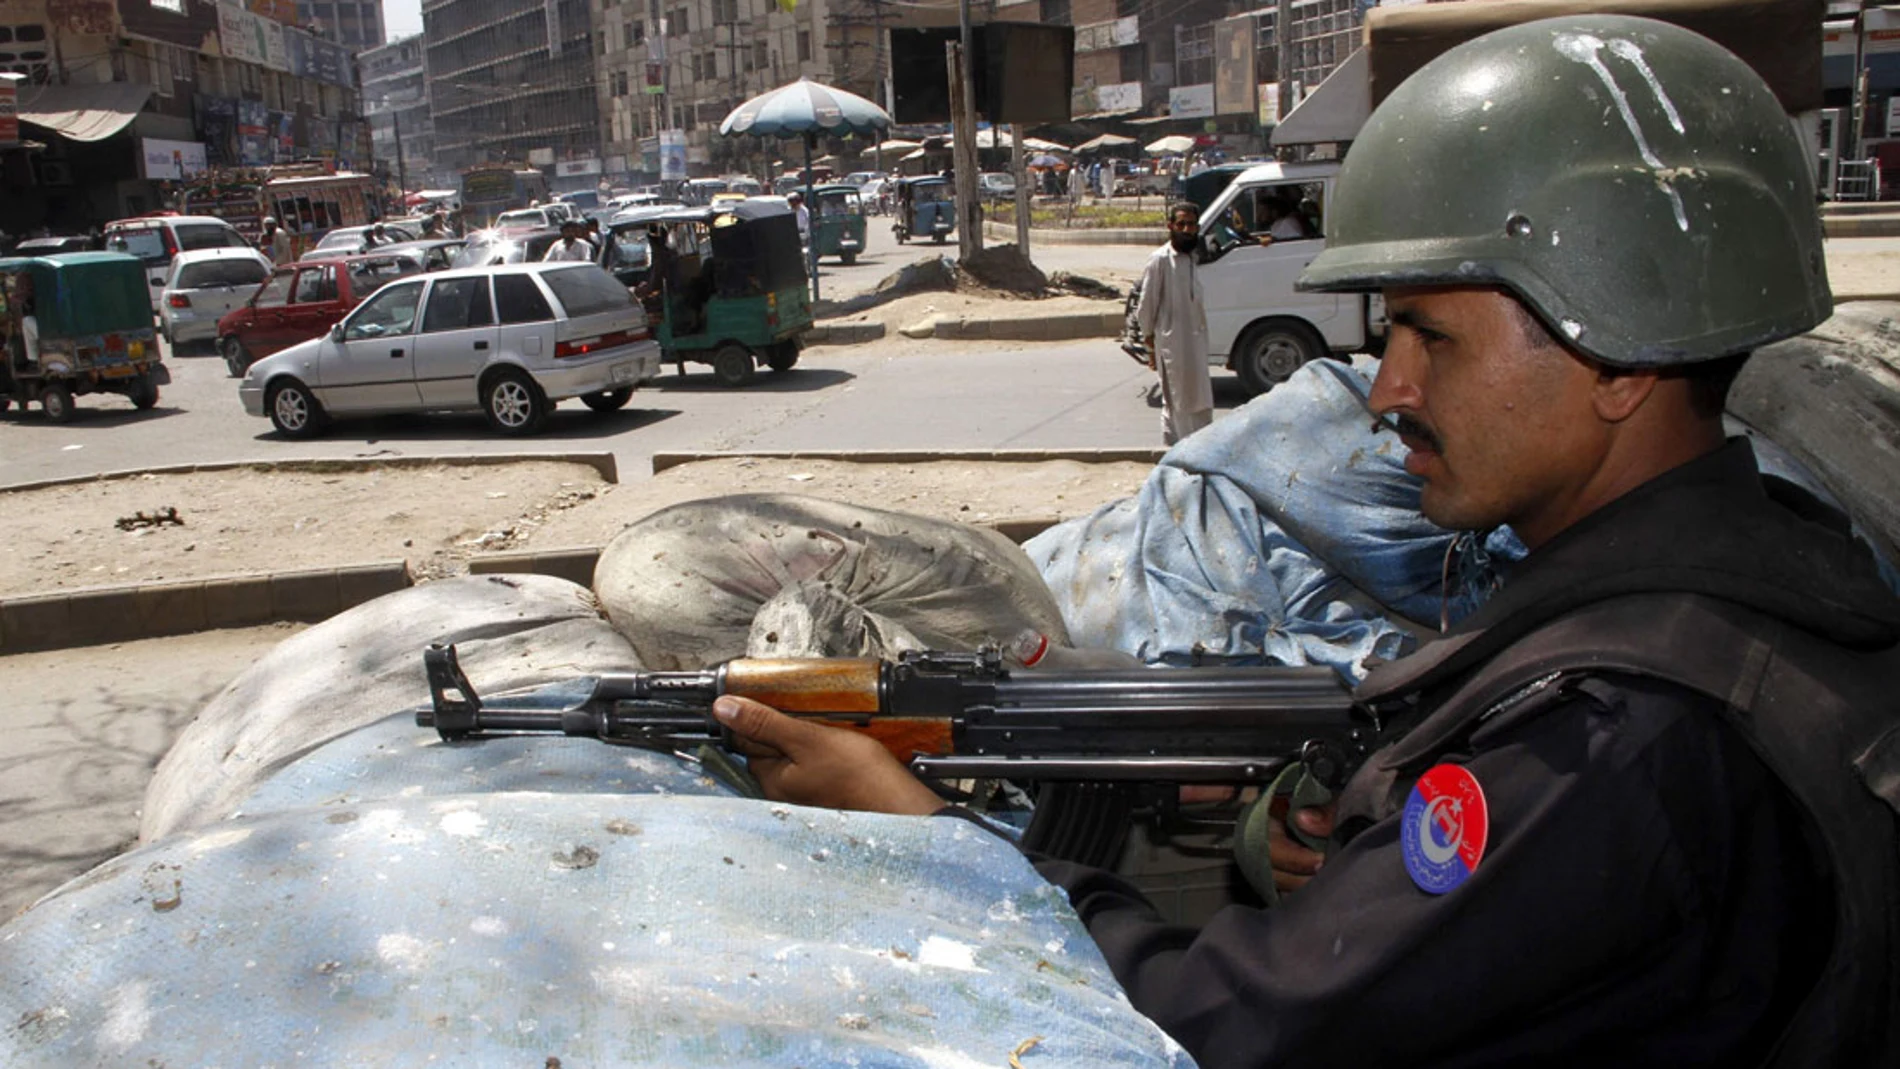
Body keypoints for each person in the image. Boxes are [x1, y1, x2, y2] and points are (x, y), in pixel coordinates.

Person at [705, 15, 1900, 1066]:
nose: (1385, 390)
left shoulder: (1609, 749)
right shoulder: (1770, 580)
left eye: (1432, 338)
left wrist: (932, 841)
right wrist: (1360, 841)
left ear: (1621, 357)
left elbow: (1216, 1033)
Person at [1133, 203, 1214, 445]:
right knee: (1177, 401)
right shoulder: (1159, 260)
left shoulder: (1192, 259)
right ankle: (1178, 452)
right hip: (1172, 344)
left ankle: (1201, 448)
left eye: (1192, 225)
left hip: (1196, 341)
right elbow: (1146, 306)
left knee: (1200, 399)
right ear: (1171, 226)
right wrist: (1150, 343)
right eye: (1182, 224)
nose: (1187, 230)